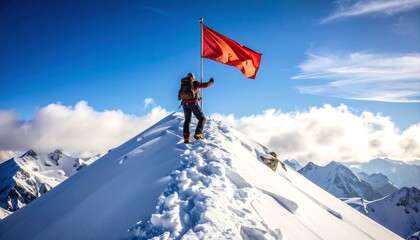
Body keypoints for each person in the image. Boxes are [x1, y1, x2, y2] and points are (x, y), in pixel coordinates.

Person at [180, 72, 214, 143]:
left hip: (184, 104)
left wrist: (197, 98)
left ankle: (186, 138)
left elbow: (188, 94)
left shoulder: (184, 84)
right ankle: (198, 134)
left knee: (187, 120)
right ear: (193, 78)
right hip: (193, 104)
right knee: (202, 118)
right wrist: (211, 82)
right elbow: (205, 85)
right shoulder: (195, 83)